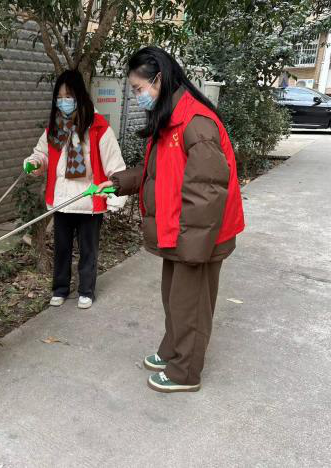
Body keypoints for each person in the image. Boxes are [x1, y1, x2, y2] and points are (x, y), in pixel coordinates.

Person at [98, 46, 244, 393]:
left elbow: (207, 192)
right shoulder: (171, 118)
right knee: (175, 298)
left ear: (158, 80)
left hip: (199, 235)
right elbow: (161, 173)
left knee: (190, 304)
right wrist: (119, 182)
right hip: (180, 229)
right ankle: (173, 350)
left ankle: (185, 372)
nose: (136, 97)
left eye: (137, 89)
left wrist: (193, 250)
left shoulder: (196, 123)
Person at [25, 69, 126, 309]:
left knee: (88, 250)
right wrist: (35, 163)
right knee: (61, 248)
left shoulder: (98, 127)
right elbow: (42, 153)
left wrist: (114, 199)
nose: (63, 102)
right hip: (62, 200)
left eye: (68, 96)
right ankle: (60, 288)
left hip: (89, 199)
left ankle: (86, 290)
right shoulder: (55, 128)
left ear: (80, 95)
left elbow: (115, 165)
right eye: (59, 97)